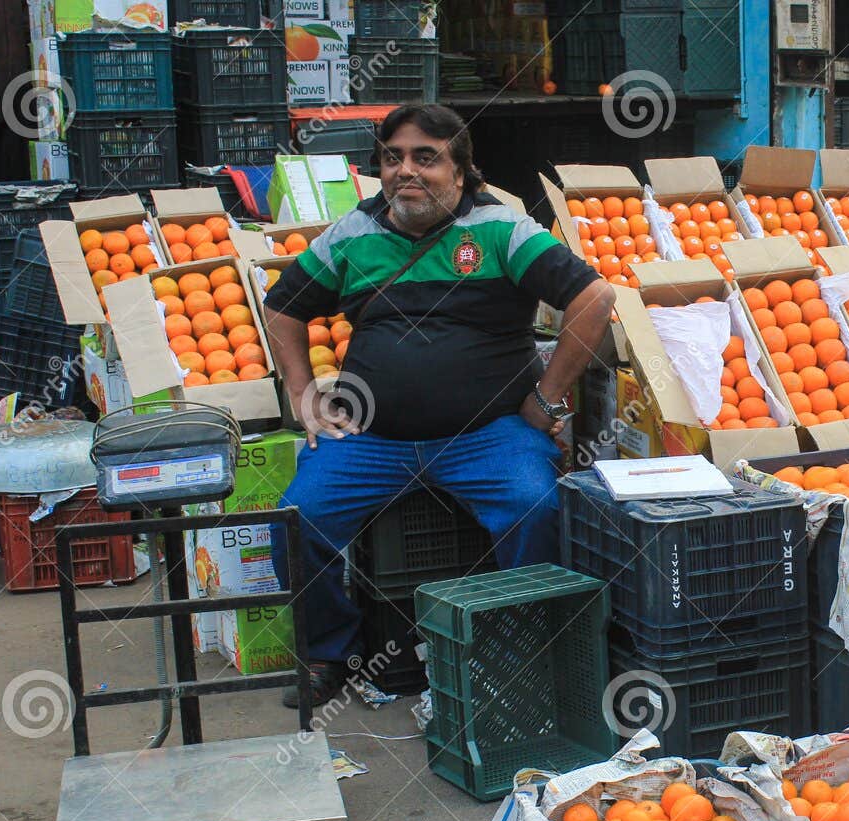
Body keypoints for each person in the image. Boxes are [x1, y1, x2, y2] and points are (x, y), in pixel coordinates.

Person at [263, 103, 615, 705]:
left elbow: (595, 296)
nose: (407, 171)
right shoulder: (353, 234)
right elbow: (282, 307)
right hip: (372, 437)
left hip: (489, 434)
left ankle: (523, 653)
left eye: (426, 157)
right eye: (392, 158)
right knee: (296, 519)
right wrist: (302, 393)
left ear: (461, 171)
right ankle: (330, 654)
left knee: (536, 508)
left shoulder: (503, 230)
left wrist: (546, 398)